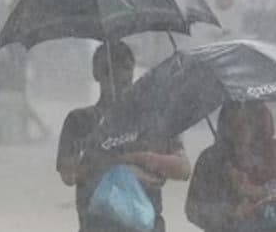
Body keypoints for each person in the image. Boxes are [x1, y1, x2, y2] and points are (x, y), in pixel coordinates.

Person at [57, 41, 191, 232]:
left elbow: (183, 169)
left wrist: (136, 160)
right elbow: (69, 175)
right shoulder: (79, 121)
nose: (119, 76)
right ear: (96, 73)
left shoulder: (153, 118)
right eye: (109, 69)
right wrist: (105, 153)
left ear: (132, 71)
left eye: (125, 68)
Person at [185, 101, 276, 232]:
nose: (242, 128)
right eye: (235, 122)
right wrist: (232, 212)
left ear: (260, 120)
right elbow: (194, 208)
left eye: (249, 120)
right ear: (226, 123)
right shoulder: (211, 159)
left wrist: (262, 194)